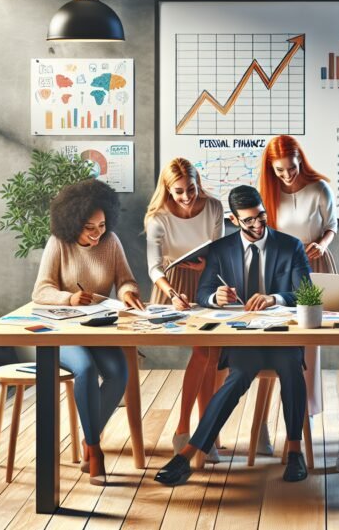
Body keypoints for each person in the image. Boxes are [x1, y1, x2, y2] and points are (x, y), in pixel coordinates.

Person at [155, 185, 312, 487]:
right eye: (249, 220)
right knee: (237, 377)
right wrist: (216, 296)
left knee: (292, 370)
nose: (258, 225)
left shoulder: (290, 246)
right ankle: (186, 455)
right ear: (233, 219)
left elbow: (306, 292)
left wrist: (275, 298)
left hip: (281, 335)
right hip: (244, 337)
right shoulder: (221, 249)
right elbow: (202, 293)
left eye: (261, 216)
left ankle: (294, 450)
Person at [32, 179, 145, 486]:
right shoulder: (58, 243)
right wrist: (68, 298)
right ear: (73, 223)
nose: (97, 235)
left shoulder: (111, 242)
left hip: (99, 328)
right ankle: (94, 449)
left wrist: (127, 292)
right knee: (84, 369)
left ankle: (87, 437)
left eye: (102, 225)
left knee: (118, 374)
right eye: (89, 228)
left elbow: (126, 280)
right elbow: (41, 290)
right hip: (63, 330)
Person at [257, 134, 337, 444]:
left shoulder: (319, 188)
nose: (287, 175)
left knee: (309, 343)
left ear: (299, 160)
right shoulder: (267, 193)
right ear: (271, 169)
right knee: (273, 338)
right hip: (278, 269)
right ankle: (262, 422)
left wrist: (320, 243)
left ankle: (307, 414)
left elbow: (331, 225)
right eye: (280, 171)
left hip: (313, 264)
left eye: (291, 168)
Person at [144, 157, 225, 464]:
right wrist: (173, 294)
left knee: (213, 356)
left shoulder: (214, 208)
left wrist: (210, 267)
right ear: (167, 190)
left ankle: (203, 434)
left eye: (190, 188)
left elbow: (220, 251)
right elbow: (154, 268)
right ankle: (185, 429)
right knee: (203, 354)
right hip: (173, 284)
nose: (187, 196)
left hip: (209, 281)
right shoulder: (158, 218)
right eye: (179, 192)